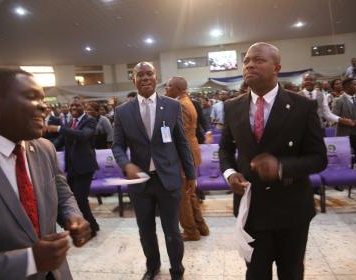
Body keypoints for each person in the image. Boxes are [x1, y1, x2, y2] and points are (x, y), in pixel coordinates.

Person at [219, 42, 327, 280]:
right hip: (252, 208)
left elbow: (319, 158)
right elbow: (225, 149)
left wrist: (281, 168)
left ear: (276, 67)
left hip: (291, 208)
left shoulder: (302, 106)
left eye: (258, 60)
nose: (249, 65)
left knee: (291, 272)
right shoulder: (232, 107)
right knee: (256, 273)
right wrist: (229, 173)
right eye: (246, 61)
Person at [0, 68, 91, 280]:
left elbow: (63, 194)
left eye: (42, 98)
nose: (44, 106)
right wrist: (29, 261)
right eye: (31, 97)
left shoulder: (44, 148)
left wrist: (73, 216)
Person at [112, 62, 196, 280]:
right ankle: (152, 267)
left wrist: (191, 174)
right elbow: (117, 146)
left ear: (155, 77)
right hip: (140, 182)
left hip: (168, 179)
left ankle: (177, 270)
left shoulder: (171, 106)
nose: (145, 77)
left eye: (149, 74)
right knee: (145, 230)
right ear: (134, 79)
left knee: (172, 230)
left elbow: (181, 142)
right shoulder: (122, 111)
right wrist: (126, 164)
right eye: (140, 74)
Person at [165, 76, 210, 241]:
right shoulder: (186, 101)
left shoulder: (180, 105)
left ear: (177, 88)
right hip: (191, 152)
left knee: (182, 195)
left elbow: (180, 136)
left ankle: (191, 231)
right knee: (190, 193)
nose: (165, 89)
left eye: (169, 86)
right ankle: (200, 226)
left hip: (184, 155)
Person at [49, 97, 100, 236]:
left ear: (83, 105)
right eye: (71, 106)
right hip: (71, 168)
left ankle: (92, 228)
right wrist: (45, 146)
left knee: (80, 199)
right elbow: (61, 141)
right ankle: (91, 225)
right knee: (71, 200)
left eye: (77, 105)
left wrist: (59, 128)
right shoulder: (70, 122)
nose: (74, 108)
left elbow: (82, 136)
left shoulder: (89, 121)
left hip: (85, 167)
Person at [332, 78, 356, 169]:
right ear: (347, 87)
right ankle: (348, 180)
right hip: (345, 134)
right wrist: (349, 122)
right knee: (346, 160)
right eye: (355, 84)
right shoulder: (338, 100)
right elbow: (333, 118)